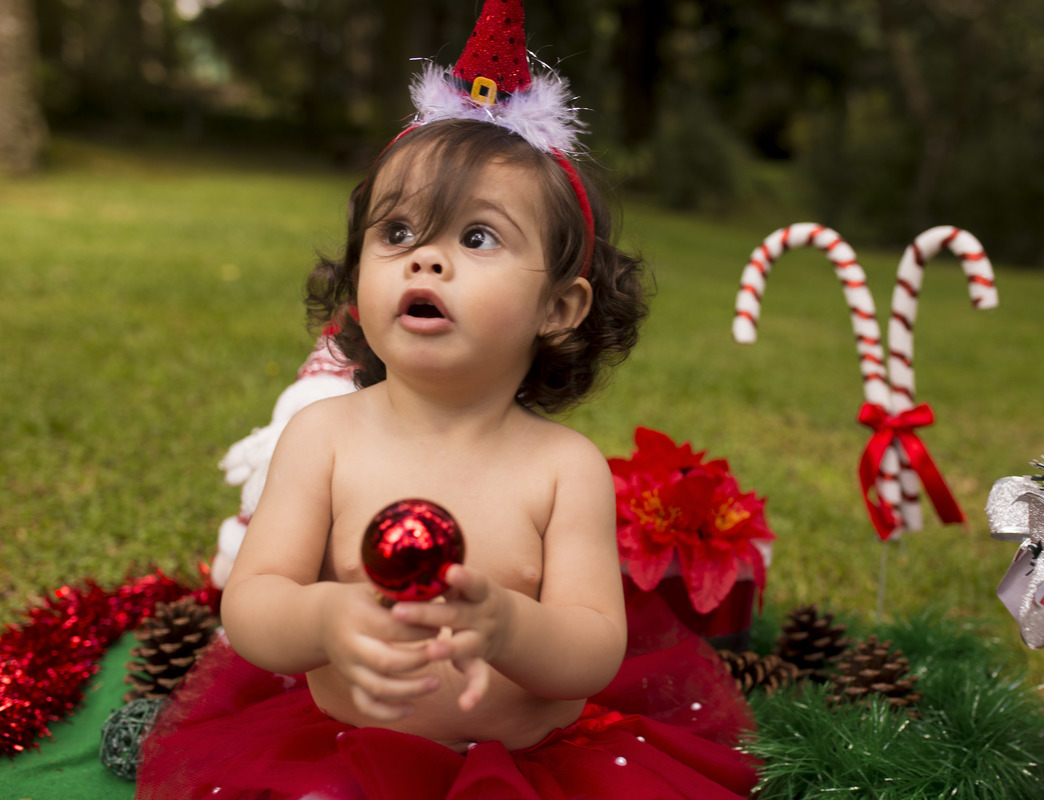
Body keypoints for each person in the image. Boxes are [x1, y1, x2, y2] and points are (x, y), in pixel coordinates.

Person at [135, 3, 760, 797]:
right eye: (397, 234)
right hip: (343, 748)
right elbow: (254, 607)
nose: (425, 260)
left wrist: (505, 624)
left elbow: (595, 648)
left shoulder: (563, 468)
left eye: (477, 238)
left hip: (537, 764)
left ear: (559, 309)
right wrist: (326, 619)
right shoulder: (325, 437)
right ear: (358, 274)